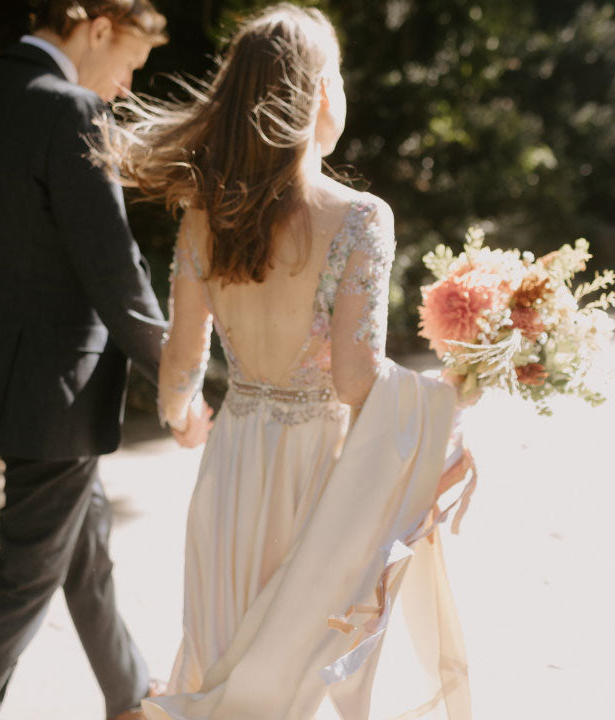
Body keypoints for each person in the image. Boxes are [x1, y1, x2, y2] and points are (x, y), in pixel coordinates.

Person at [96, 5, 474, 718]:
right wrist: (450, 395)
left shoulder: (204, 214)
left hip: (235, 459)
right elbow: (357, 382)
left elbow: (182, 358)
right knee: (295, 662)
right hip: (321, 474)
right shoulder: (360, 217)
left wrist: (181, 414)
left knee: (224, 643)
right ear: (320, 92)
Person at [0, 2, 182, 718]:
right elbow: (114, 268)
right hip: (58, 390)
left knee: (82, 546)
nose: (125, 85)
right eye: (128, 62)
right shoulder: (71, 110)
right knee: (22, 580)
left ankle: (128, 691)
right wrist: (176, 376)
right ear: (96, 29)